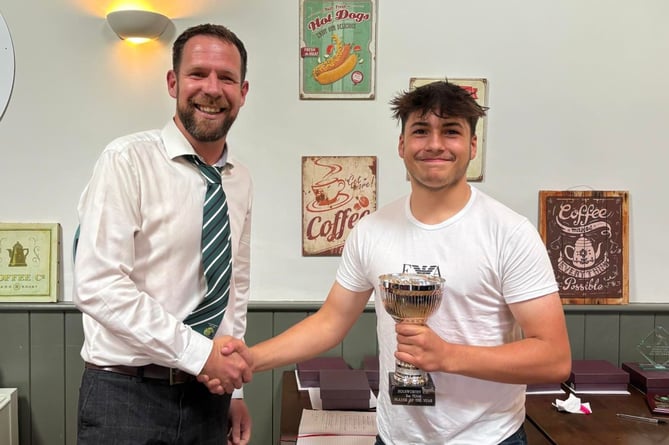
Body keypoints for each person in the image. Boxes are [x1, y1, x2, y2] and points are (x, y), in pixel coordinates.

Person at [214, 81, 572, 444]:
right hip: (395, 437)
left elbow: (554, 357)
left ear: (472, 146)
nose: (435, 144)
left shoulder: (509, 233)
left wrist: (448, 356)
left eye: (451, 132)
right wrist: (250, 360)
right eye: (420, 131)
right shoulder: (371, 230)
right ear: (402, 145)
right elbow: (330, 322)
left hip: (488, 437)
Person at [73, 24, 254, 445]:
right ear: (173, 82)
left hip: (207, 398)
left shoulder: (240, 179)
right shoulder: (126, 161)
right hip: (124, 396)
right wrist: (199, 353)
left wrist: (234, 390)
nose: (212, 88)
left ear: (243, 91)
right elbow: (98, 285)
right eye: (198, 74)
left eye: (226, 78)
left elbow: (233, 287)